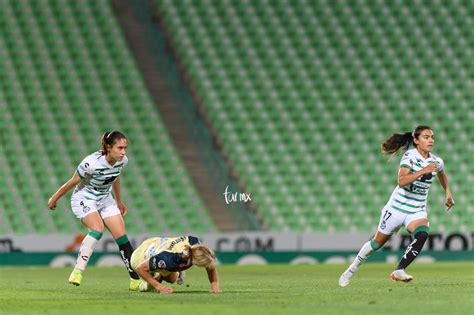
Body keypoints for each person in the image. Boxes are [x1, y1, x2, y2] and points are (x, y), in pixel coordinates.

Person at [339, 125, 454, 287]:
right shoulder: (409, 157)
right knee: (376, 244)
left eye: (432, 137)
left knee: (422, 234)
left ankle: (399, 270)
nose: (431, 140)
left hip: (416, 210)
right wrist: (423, 170)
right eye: (426, 137)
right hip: (396, 209)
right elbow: (401, 182)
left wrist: (448, 192)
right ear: (416, 140)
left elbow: (441, 172)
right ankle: (351, 270)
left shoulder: (436, 161)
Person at [48, 131, 142, 290]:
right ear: (108, 147)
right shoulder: (91, 163)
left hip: (105, 199)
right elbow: (72, 182)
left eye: (125, 147)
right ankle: (77, 271)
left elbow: (115, 177)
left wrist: (119, 201)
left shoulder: (122, 161)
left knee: (122, 238)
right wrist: (54, 198)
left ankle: (135, 280)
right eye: (120, 148)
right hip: (84, 198)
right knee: (97, 229)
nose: (123, 152)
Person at [130, 235, 221, 294]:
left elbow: (210, 267)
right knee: (165, 279)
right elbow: (140, 268)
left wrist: (214, 285)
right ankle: (148, 284)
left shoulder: (195, 244)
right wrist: (160, 288)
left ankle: (172, 272)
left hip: (159, 243)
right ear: (193, 261)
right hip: (140, 257)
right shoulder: (170, 259)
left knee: (172, 278)